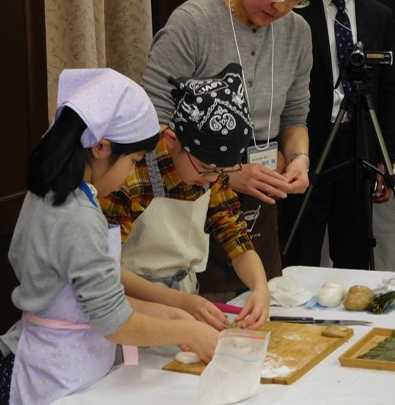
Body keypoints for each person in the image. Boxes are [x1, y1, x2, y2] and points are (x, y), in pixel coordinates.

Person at [0, 69, 220, 405]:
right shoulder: (76, 215)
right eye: (134, 161)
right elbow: (114, 323)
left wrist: (169, 313)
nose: (129, 177)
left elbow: (90, 298)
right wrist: (189, 331)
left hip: (54, 362)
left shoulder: (50, 193)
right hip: (49, 377)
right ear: (101, 147)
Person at [142, 0, 322, 298]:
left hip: (262, 186)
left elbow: (295, 115)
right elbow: (152, 124)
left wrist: (299, 159)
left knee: (259, 303)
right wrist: (225, 174)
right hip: (189, 184)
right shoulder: (194, 23)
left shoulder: (297, 32)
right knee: (199, 309)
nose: (281, 7)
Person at [100, 63, 270, 330]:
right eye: (204, 169)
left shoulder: (211, 173)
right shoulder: (131, 172)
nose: (211, 179)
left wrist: (260, 289)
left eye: (222, 172)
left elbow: (235, 235)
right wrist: (177, 302)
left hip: (186, 297)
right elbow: (105, 267)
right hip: (132, 304)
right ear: (171, 140)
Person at [279, 0, 395, 270]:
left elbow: (387, 91)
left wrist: (386, 158)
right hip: (306, 142)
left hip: (358, 144)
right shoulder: (295, 8)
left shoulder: (379, 14)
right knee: (300, 249)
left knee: (355, 254)